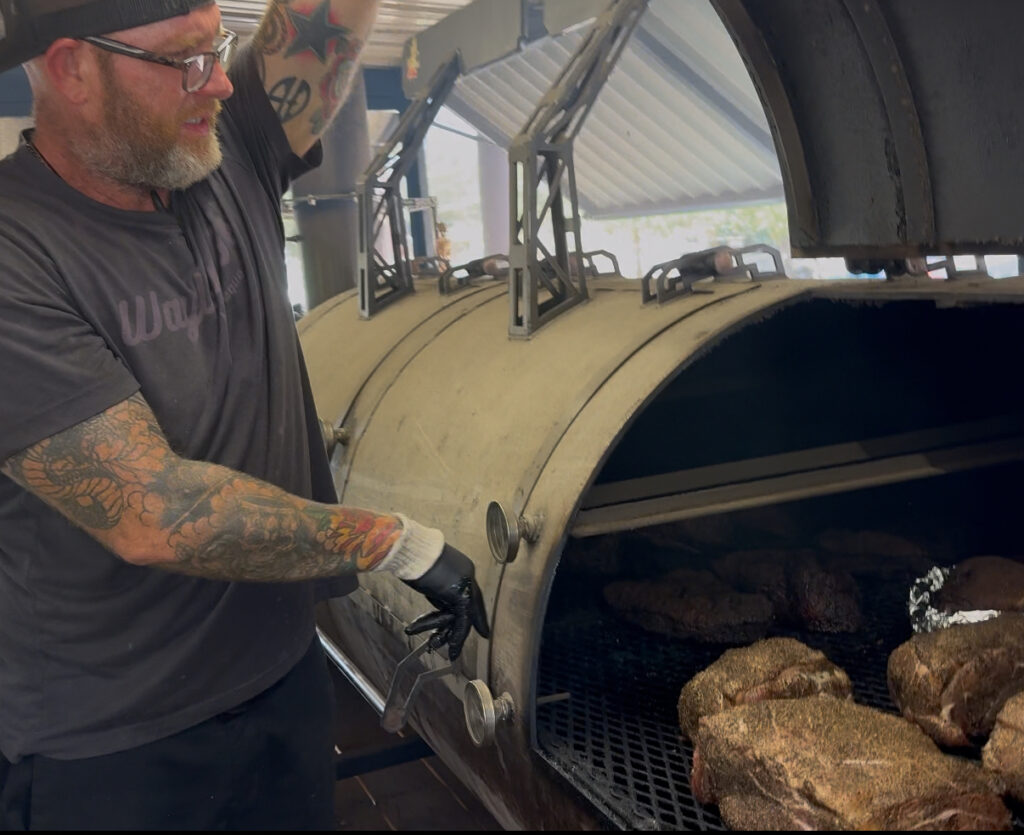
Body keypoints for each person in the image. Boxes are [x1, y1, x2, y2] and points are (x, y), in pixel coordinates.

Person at [0, 0, 489, 829]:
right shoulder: (17, 249)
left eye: (218, 46)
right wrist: (394, 542)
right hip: (113, 744)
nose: (221, 82)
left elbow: (330, 17)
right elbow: (154, 511)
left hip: (281, 679)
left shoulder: (225, 154)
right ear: (71, 68)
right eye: (185, 60)